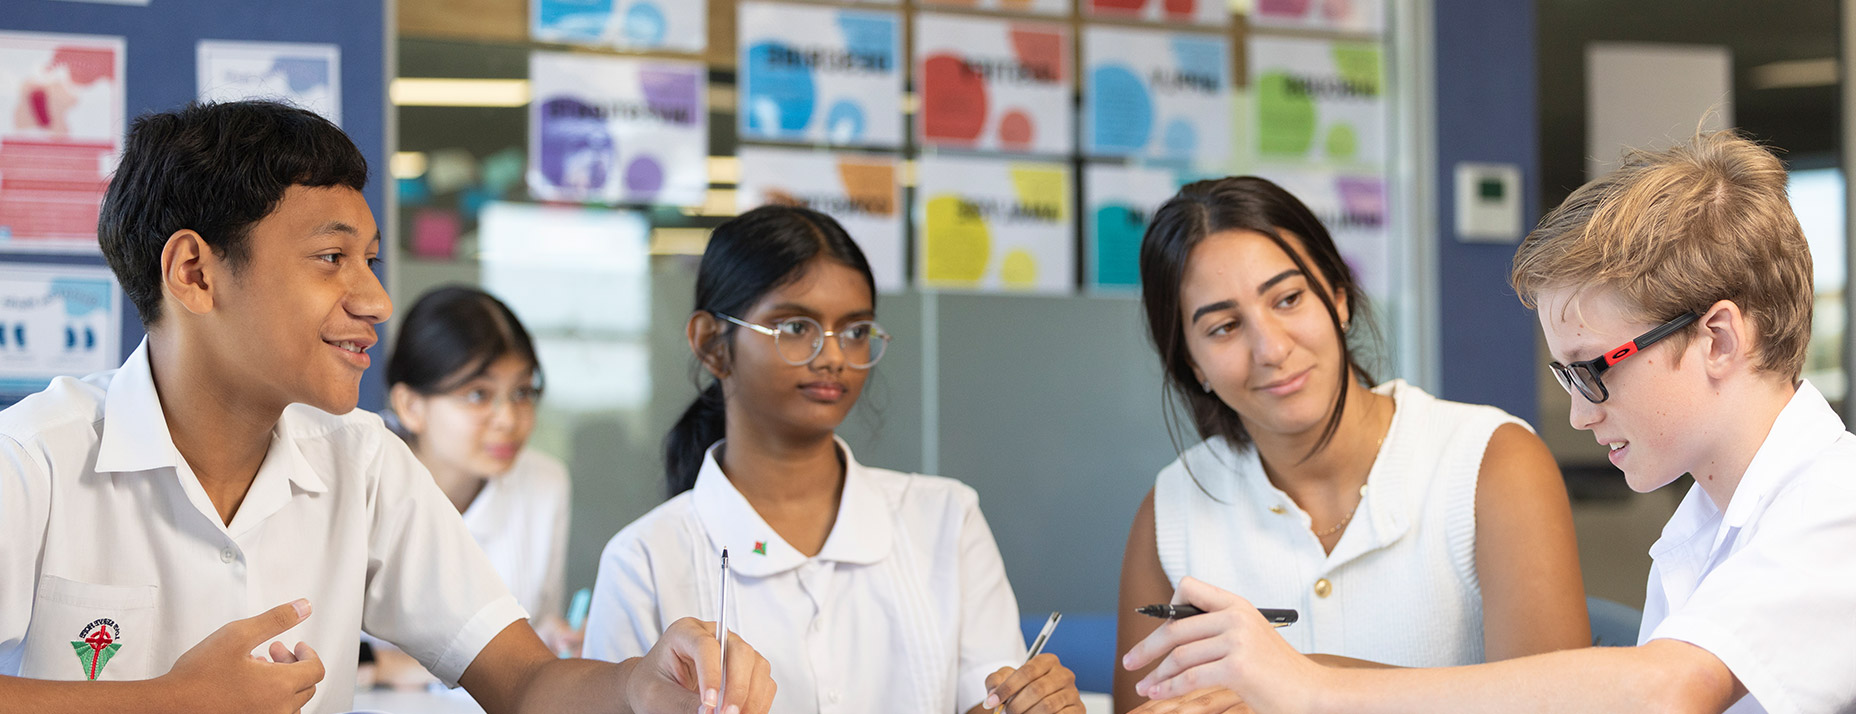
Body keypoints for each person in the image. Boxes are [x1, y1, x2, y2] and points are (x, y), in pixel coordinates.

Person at [0, 100, 774, 714]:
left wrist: (638, 687)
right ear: (196, 273)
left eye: (369, 260)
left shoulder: (361, 460)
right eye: (332, 258)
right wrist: (173, 703)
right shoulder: (38, 457)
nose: (374, 299)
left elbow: (526, 684)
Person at [1121, 132, 1856, 713]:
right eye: (1563, 377)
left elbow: (1667, 689)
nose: (1576, 411)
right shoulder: (1709, 524)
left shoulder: (1851, 505)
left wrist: (1305, 685)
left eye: (1593, 371)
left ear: (1715, 338)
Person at [1112, 176, 1590, 713]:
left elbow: (1558, 705)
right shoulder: (1172, 509)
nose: (1270, 348)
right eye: (1224, 327)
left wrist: (1294, 681)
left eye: (1289, 299)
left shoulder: (1491, 463)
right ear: (1192, 362)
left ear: (1338, 297)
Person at [582, 205, 1084, 714]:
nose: (833, 357)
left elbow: (993, 698)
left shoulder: (946, 519)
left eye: (856, 331)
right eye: (796, 327)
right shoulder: (644, 560)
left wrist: (1034, 705)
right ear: (712, 344)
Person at [368, 285, 579, 686]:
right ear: (411, 406)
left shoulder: (545, 484)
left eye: (522, 392)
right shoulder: (357, 475)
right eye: (478, 394)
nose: (508, 419)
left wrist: (552, 639)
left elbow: (536, 624)